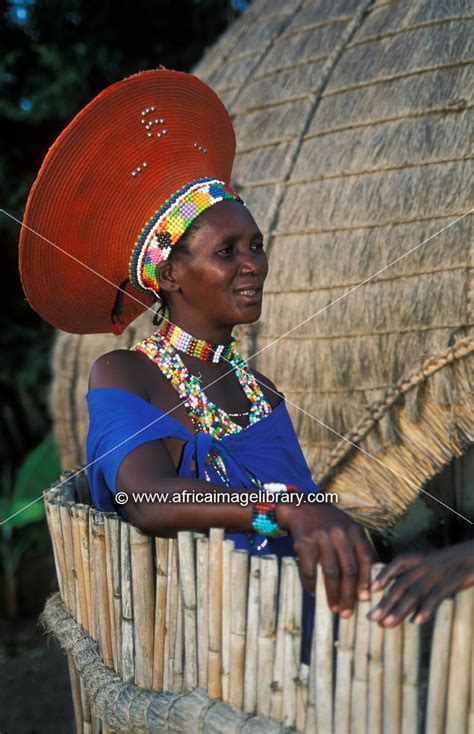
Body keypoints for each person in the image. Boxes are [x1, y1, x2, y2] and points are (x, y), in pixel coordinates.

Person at [19, 69, 374, 628]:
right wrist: (285, 507)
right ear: (173, 275)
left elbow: (279, 524)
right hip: (208, 650)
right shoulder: (124, 374)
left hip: (303, 636)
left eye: (255, 245)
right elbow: (148, 500)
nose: (252, 263)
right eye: (226, 251)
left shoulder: (263, 392)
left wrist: (301, 518)